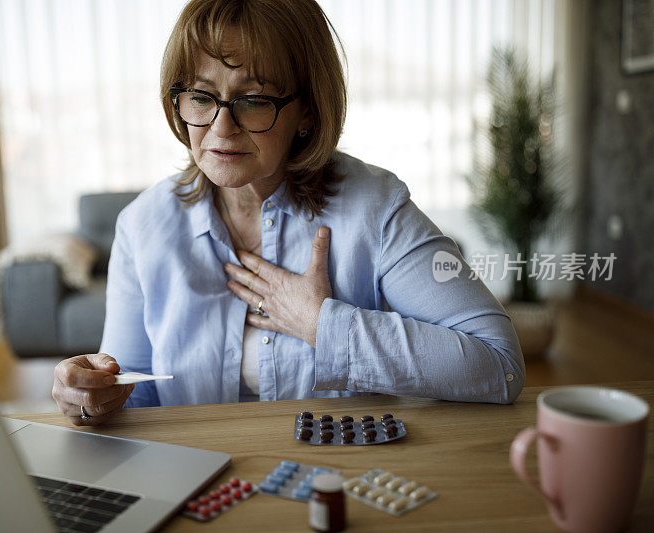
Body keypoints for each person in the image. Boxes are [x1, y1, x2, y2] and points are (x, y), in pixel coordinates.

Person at [52, 0, 525, 427]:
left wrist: (322, 324)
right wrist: (90, 396)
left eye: (253, 100)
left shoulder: (375, 209)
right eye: (200, 96)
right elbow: (135, 398)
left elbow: (499, 362)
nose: (221, 128)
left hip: (339, 482)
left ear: (308, 112)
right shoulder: (143, 226)